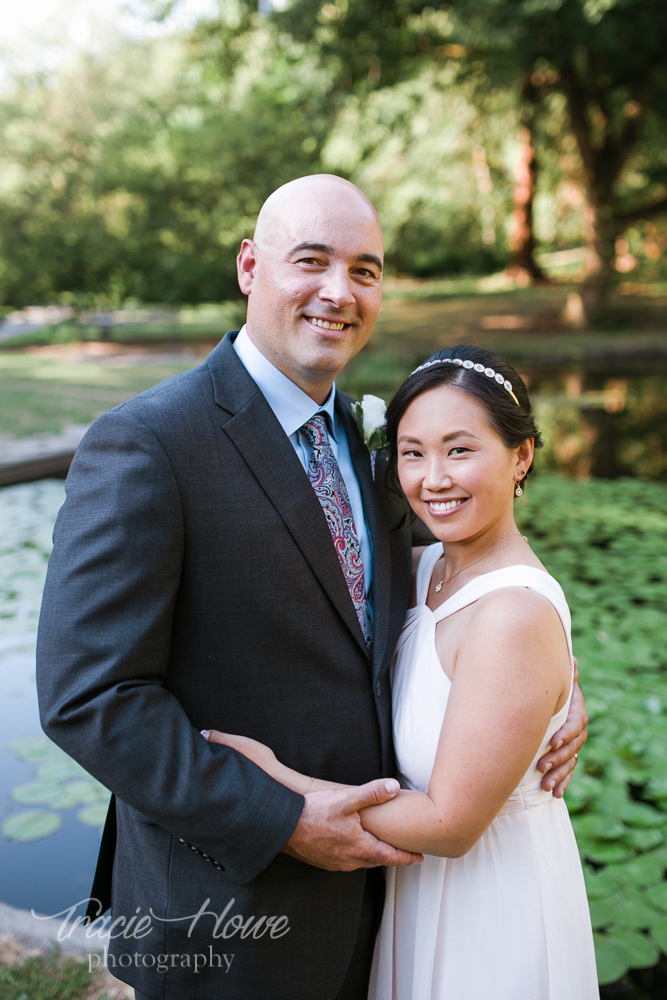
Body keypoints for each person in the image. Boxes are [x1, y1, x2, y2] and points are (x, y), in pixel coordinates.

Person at [36, 175, 587, 1000]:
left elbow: (449, 584)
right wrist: (282, 819)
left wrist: (550, 679)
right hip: (231, 909)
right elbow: (88, 696)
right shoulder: (149, 442)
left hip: (389, 900)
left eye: (364, 270)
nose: (339, 291)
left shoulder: (379, 443)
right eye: (311, 261)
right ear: (250, 266)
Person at [204, 344, 599, 999]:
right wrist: (562, 689)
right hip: (415, 895)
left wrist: (279, 784)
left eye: (459, 449)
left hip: (489, 908)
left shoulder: (512, 616)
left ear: (521, 455)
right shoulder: (418, 570)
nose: (433, 478)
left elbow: (450, 825)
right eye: (412, 452)